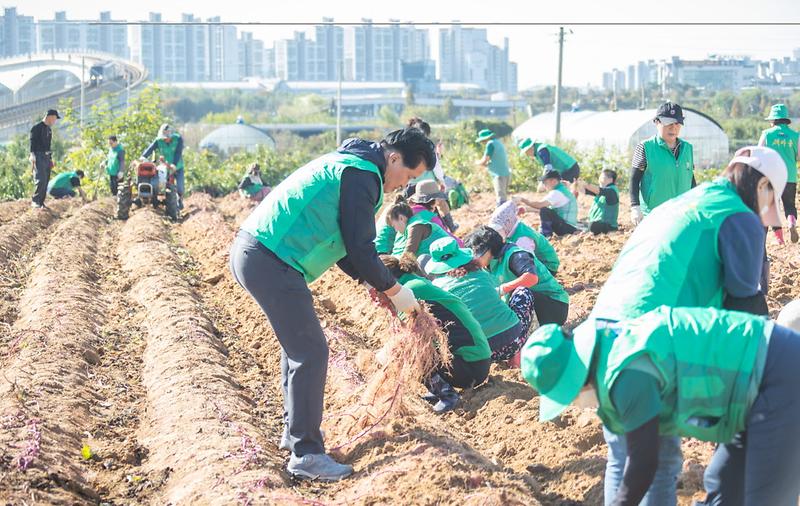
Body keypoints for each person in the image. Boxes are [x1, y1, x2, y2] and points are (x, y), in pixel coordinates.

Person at [229, 128, 435, 481]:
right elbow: (360, 246)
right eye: (409, 176)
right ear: (394, 158)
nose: (403, 186)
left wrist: (372, 282)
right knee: (311, 353)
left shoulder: (351, 165)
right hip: (271, 259)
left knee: (298, 348)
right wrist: (395, 291)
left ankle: (295, 433)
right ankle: (305, 455)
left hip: (260, 253)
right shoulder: (362, 174)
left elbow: (343, 245)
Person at [589, 146, 786, 505]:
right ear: (763, 188)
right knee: (659, 462)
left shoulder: (685, 203)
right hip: (648, 338)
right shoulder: (737, 215)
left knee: (624, 453)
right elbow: (744, 304)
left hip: (602, 332)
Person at [522, 306, 800, 506]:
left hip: (778, 376)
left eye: (568, 394)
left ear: (578, 377)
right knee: (724, 486)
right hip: (747, 391)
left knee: (763, 497)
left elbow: (644, 462)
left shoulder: (627, 375)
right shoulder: (609, 348)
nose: (573, 402)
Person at [380, 255, 492, 413]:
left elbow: (408, 338)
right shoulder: (411, 283)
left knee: (408, 348)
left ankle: (447, 395)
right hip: (475, 362)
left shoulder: (410, 291)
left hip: (472, 366)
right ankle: (437, 388)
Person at [425, 237, 533, 364]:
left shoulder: (438, 287)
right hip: (513, 342)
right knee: (523, 292)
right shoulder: (481, 273)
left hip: (480, 353)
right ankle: (515, 359)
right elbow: (495, 294)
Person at [466, 226, 569, 327]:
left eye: (476, 255)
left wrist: (502, 289)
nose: (473, 260)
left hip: (553, 305)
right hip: (532, 306)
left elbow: (532, 278)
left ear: (488, 249)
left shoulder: (515, 255)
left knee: (521, 292)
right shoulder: (488, 265)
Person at [629, 102, 696, 225]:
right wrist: (635, 207)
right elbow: (634, 179)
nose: (673, 128)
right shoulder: (645, 147)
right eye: (668, 123)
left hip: (681, 214)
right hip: (654, 215)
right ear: (657, 122)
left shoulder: (688, 149)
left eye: (677, 123)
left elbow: (691, 179)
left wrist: (695, 203)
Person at [405, 117, 459, 232]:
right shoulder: (427, 145)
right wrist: (441, 181)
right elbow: (435, 166)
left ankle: (409, 231)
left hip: (410, 184)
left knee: (411, 208)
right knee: (439, 205)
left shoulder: (406, 146)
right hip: (428, 184)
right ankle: (449, 227)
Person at [758, 103, 799, 244]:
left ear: (773, 120)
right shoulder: (795, 135)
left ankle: (779, 238)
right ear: (785, 119)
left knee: (771, 207)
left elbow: (759, 152)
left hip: (771, 176)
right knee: (789, 205)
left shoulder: (767, 134)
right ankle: (791, 222)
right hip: (790, 176)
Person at [488, 201, 560, 275]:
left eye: (499, 230)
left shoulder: (522, 239)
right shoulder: (513, 228)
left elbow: (529, 265)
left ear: (508, 223)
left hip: (547, 267)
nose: (496, 234)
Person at [385, 198, 452, 267]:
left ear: (401, 218)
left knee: (421, 260)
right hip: (440, 263)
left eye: (394, 226)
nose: (396, 230)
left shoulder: (416, 226)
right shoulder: (409, 227)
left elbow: (408, 256)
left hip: (447, 263)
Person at [518, 169, 579, 237]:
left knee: (544, 211)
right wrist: (526, 209)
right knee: (545, 211)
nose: (544, 185)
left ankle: (545, 234)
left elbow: (540, 205)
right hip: (569, 227)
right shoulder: (561, 190)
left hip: (566, 228)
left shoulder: (557, 193)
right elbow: (546, 209)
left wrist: (522, 199)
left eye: (545, 182)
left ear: (553, 181)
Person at [142, 123, 185, 206]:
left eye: (167, 138)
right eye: (164, 138)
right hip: (165, 168)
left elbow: (178, 152)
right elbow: (150, 149)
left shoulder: (178, 139)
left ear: (171, 135)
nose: (165, 140)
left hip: (178, 167)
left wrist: (174, 164)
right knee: (164, 186)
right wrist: (143, 156)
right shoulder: (159, 141)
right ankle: (165, 202)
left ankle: (180, 200)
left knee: (180, 188)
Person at [29, 109, 60, 209]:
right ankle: (35, 201)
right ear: (50, 117)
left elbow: (48, 145)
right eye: (55, 119)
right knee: (40, 179)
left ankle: (41, 202)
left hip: (46, 157)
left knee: (46, 179)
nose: (55, 121)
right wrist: (32, 155)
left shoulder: (49, 130)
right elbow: (32, 143)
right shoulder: (36, 128)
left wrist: (50, 159)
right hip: (38, 155)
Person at [475, 129, 511, 206]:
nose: (482, 142)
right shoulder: (498, 142)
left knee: (501, 198)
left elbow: (485, 160)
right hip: (505, 173)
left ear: (486, 138)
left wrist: (477, 163)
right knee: (503, 196)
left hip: (499, 175)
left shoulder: (490, 144)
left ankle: (501, 214)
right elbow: (496, 159)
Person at [578, 169, 620, 235]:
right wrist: (574, 184)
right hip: (597, 223)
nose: (599, 180)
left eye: (602, 177)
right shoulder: (603, 191)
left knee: (593, 225)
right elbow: (585, 191)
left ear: (610, 179)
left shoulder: (612, 191)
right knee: (579, 223)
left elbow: (599, 190)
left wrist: (585, 184)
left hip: (608, 226)